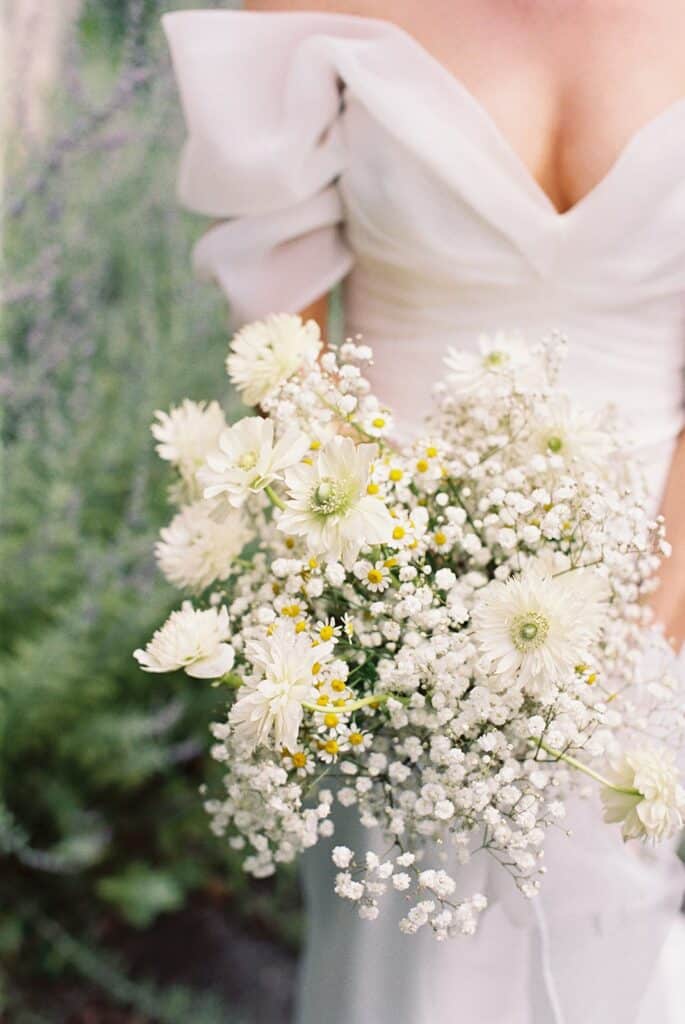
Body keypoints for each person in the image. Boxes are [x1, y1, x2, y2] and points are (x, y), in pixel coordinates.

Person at [163, 3, 685, 1020]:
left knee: (607, 920)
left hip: (649, 578)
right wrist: (353, 574)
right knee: (405, 951)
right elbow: (282, 337)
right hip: (389, 585)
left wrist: (672, 578)